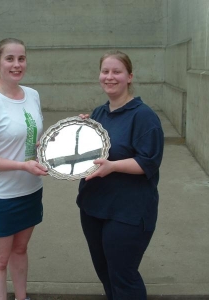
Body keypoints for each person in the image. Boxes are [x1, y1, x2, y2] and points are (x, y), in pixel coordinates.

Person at [76, 50, 164, 300]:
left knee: (123, 276)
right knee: (105, 272)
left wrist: (113, 166)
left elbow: (149, 162)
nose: (109, 77)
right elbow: (84, 154)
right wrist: (66, 139)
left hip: (128, 212)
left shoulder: (144, 116)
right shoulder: (99, 114)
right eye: (105, 71)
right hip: (94, 207)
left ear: (129, 77)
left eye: (117, 72)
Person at [0, 38, 48, 300]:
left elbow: (33, 139)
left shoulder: (33, 95)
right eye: (10, 59)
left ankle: (22, 297)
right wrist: (21, 166)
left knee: (21, 250)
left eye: (21, 59)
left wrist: (70, 134)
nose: (17, 64)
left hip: (29, 190)